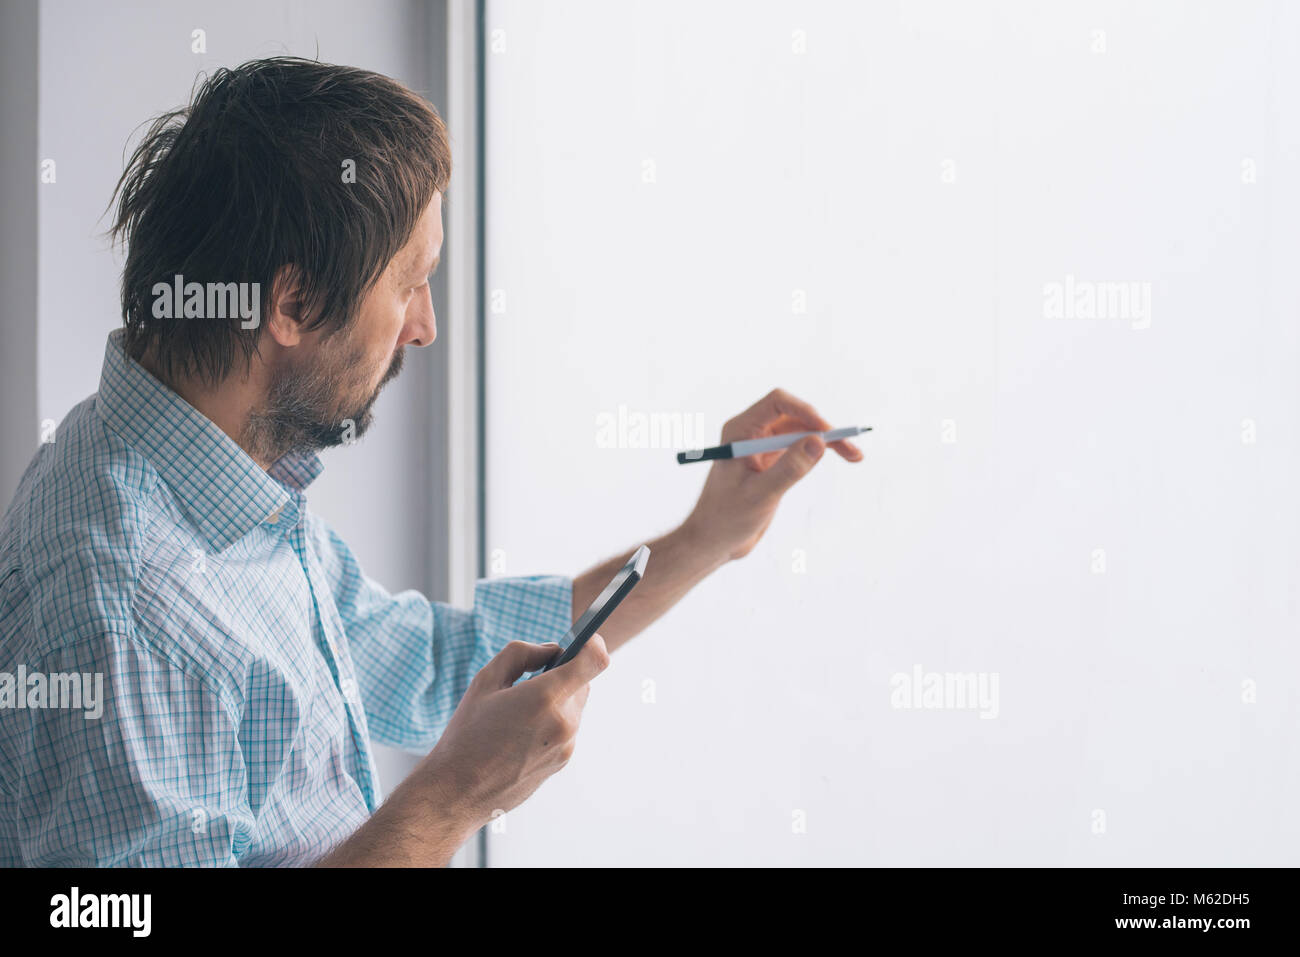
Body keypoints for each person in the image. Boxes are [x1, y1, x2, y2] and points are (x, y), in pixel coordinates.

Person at [0, 57, 863, 866]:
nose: (424, 326)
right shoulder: (123, 606)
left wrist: (707, 536)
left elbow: (425, 664)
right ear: (292, 302)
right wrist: (455, 798)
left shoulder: (211, 472)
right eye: (411, 282)